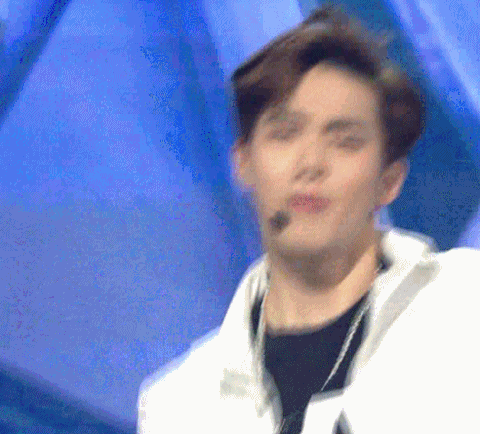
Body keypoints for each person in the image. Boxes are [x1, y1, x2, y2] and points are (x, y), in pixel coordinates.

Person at [137, 4, 480, 434]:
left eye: (345, 141)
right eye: (284, 134)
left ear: (389, 180)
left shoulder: (466, 308)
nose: (311, 163)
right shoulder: (177, 405)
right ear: (243, 163)